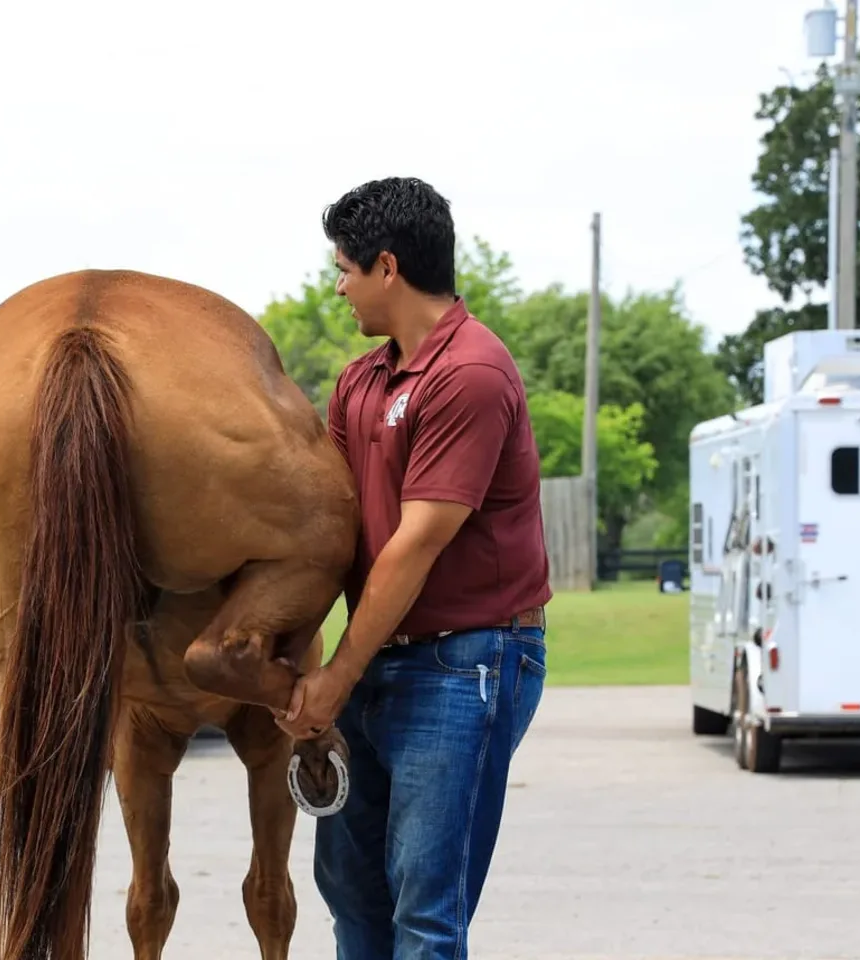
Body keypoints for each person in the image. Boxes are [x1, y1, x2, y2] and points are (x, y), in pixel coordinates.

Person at [276, 177, 551, 957]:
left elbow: (416, 542)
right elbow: (327, 529)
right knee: (354, 898)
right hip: (380, 661)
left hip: (466, 663)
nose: (339, 287)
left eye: (345, 269)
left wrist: (336, 674)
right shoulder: (360, 381)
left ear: (387, 267)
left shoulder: (472, 373)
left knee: (426, 913)